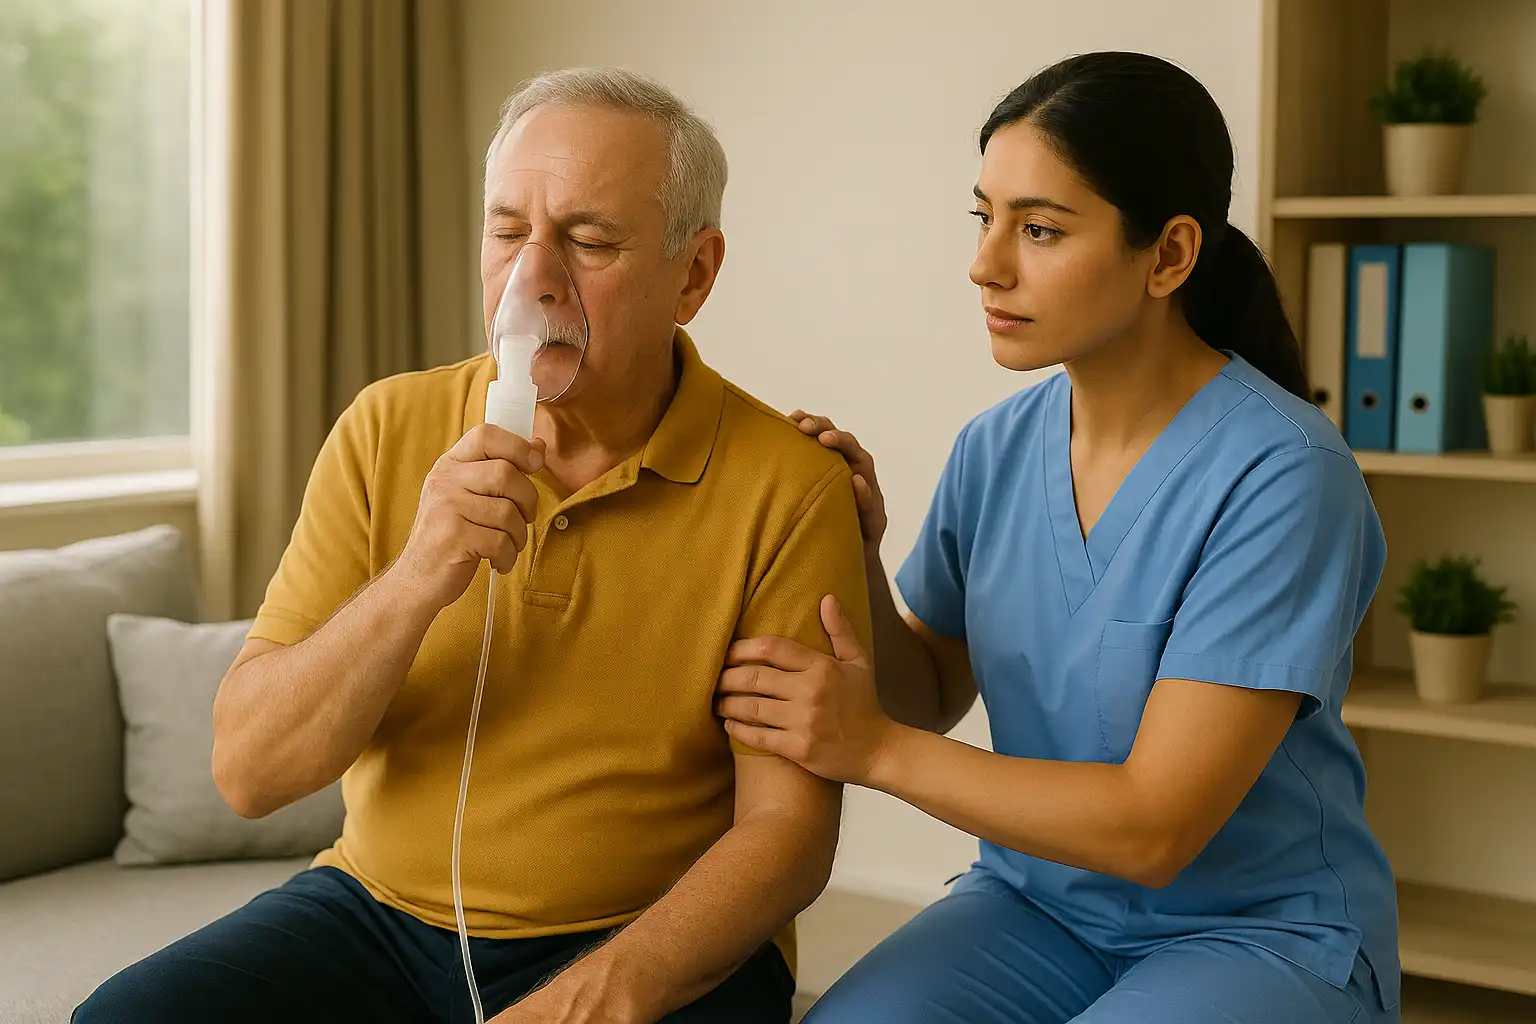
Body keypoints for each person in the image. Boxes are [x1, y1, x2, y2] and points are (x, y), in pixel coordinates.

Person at [76, 67, 871, 1024]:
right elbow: (251, 774)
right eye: (506, 232)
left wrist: (591, 999)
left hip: (642, 938)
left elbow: (788, 835)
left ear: (694, 274)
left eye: (588, 241)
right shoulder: (385, 427)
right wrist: (419, 575)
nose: (532, 280)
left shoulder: (790, 485)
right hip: (377, 915)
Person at [717, 52, 1401, 1024]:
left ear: (1169, 255)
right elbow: (928, 692)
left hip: (1256, 931)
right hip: (1036, 906)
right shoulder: (995, 448)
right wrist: (855, 547)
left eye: (1038, 229)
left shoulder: (1285, 474)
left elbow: (1154, 829)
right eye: (984, 217)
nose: (985, 264)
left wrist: (871, 750)